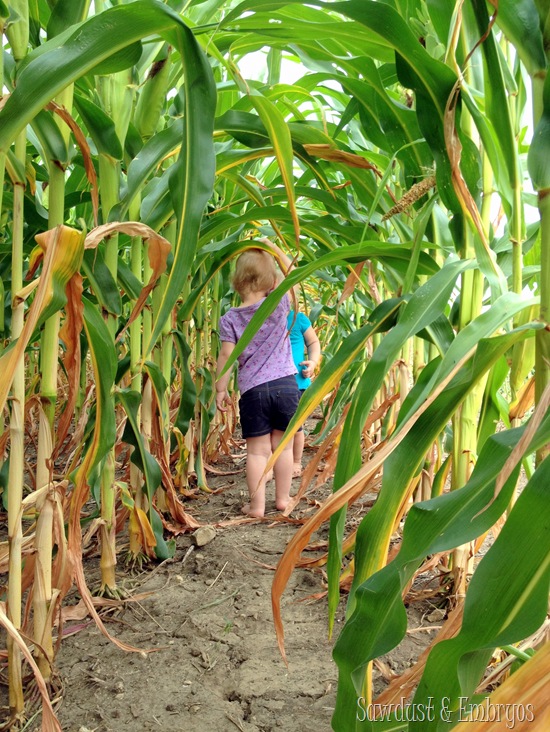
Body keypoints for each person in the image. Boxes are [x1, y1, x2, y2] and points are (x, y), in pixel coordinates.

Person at [215, 239, 300, 517]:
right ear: (272, 281)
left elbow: (227, 356)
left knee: (257, 452)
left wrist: (220, 389)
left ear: (237, 281)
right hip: (286, 386)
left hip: (254, 391)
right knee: (283, 447)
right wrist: (276, 249)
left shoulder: (230, 318)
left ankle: (257, 506)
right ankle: (283, 500)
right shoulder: (278, 305)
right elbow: (295, 281)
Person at [287, 307, 321, 476]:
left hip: (297, 383)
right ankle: (272, 462)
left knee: (296, 426)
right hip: (272, 383)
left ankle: (295, 461)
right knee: (272, 428)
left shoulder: (298, 318)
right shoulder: (262, 317)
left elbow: (313, 342)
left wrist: (313, 362)